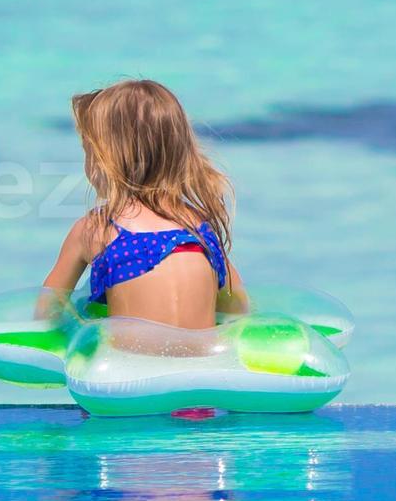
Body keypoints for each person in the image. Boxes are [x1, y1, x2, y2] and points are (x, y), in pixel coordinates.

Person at [40, 78, 244, 332]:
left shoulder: (95, 229)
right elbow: (238, 308)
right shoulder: (200, 231)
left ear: (105, 161)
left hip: (129, 369)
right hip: (202, 370)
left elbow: (47, 313)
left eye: (89, 153)